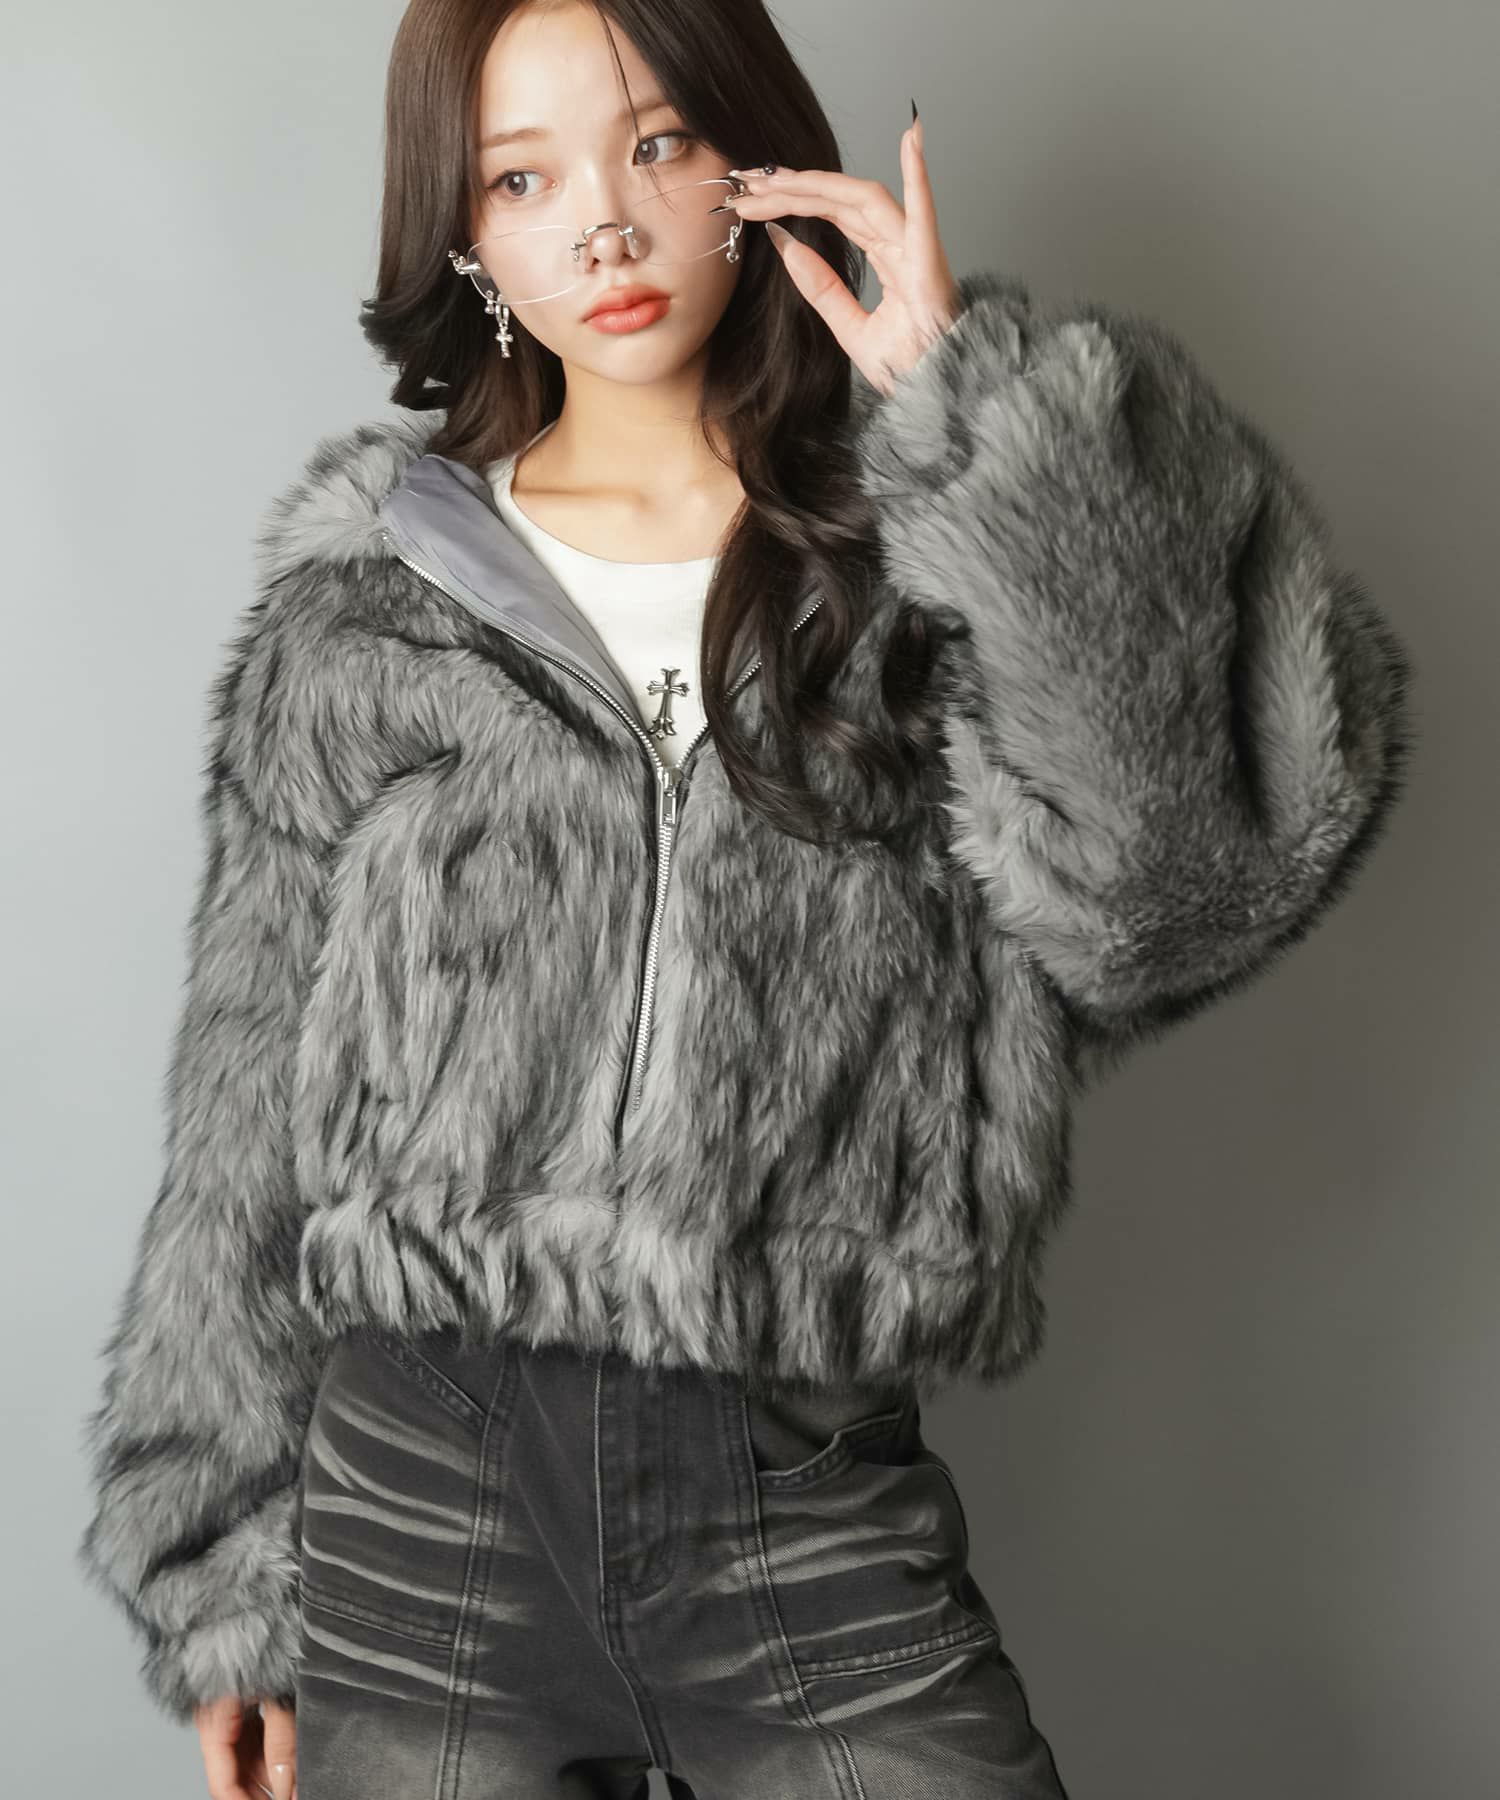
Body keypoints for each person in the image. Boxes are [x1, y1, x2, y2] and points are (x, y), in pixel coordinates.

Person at [75, 1, 1415, 1796]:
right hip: (425, 1521)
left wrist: (979, 432)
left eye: (657, 143)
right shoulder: (372, 602)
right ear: (465, 238)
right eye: (523, 180)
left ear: (749, 152)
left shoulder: (932, 564)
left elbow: (1183, 901)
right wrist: (224, 1575)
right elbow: (242, 1111)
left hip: (805, 1511)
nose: (604, 225)